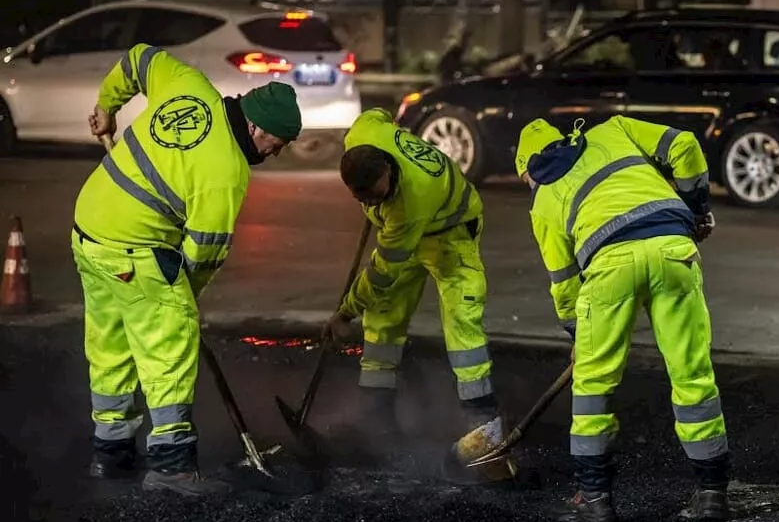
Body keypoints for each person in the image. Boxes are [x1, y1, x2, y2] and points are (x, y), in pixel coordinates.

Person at [77, 43, 301, 496]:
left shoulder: (189, 85)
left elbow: (140, 58)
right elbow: (204, 254)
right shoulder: (226, 171)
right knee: (168, 350)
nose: (273, 154)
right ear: (256, 127)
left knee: (111, 344)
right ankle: (171, 465)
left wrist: (107, 105)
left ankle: (112, 454)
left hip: (89, 228)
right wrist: (182, 298)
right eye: (274, 145)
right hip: (134, 247)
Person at [513, 115, 728, 522]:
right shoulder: (612, 129)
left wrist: (578, 334)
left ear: (528, 168)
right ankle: (712, 495)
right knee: (692, 375)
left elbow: (563, 282)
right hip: (672, 250)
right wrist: (698, 209)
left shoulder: (543, 201)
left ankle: (594, 500)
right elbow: (683, 144)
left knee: (593, 386)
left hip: (610, 267)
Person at [322, 108, 509, 479]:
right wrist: (394, 129)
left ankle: (482, 423)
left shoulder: (411, 200)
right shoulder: (363, 131)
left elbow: (382, 273)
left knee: (461, 321)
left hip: (450, 232)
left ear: (389, 172)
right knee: (383, 315)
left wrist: (344, 312)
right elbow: (379, 113)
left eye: (378, 196)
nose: (373, 205)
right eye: (364, 201)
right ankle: (376, 413)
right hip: (408, 231)